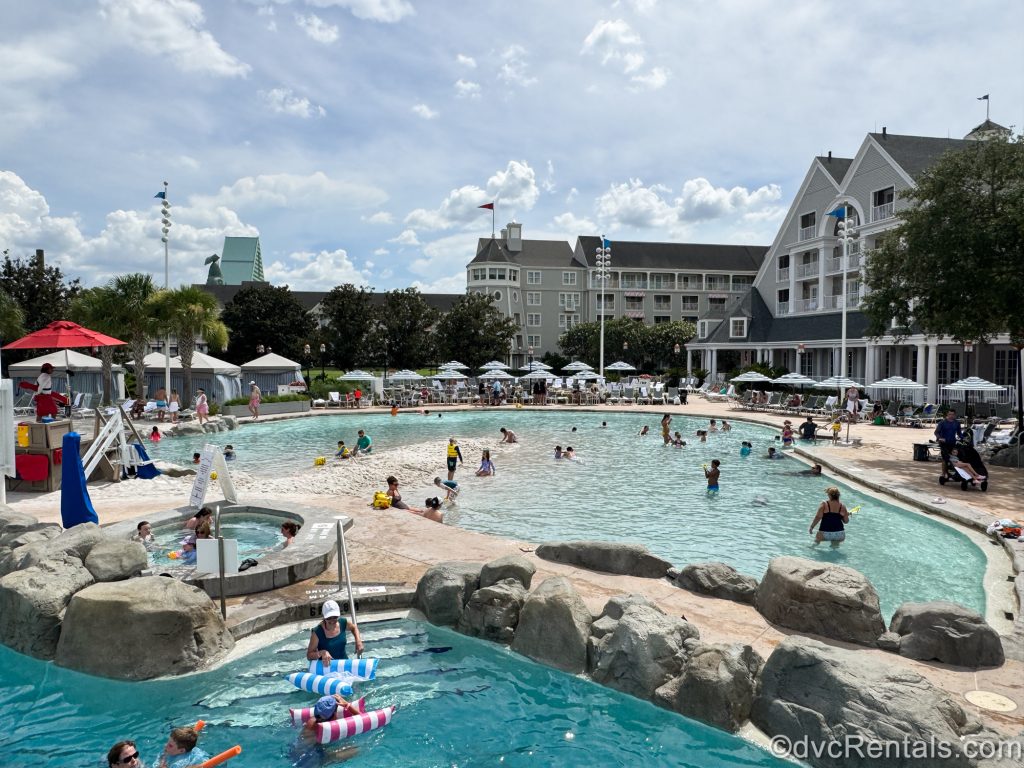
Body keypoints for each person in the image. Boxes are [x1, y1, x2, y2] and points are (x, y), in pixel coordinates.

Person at [307, 599, 363, 664]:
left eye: (335, 617)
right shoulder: (317, 632)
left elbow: (354, 628)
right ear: (324, 617)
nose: (332, 620)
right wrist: (321, 653)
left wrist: (358, 641)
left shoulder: (343, 622)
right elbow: (309, 655)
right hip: (327, 668)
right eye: (328, 618)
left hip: (344, 664)